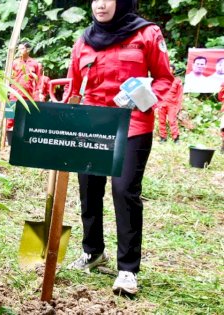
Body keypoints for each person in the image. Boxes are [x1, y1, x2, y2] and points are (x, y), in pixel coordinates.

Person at [66, 0, 174, 295]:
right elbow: (74, 89)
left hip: (133, 124)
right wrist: (64, 119)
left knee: (124, 190)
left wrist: (144, 98)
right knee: (88, 188)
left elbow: (165, 78)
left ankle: (127, 270)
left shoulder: (146, 34)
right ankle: (93, 252)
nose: (100, 4)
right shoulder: (85, 40)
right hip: (92, 124)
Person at [8, 41, 43, 130]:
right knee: (10, 117)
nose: (20, 51)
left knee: (26, 117)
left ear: (27, 49)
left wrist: (39, 93)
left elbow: (38, 80)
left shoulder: (35, 63)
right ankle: (5, 138)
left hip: (28, 94)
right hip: (15, 93)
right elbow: (9, 77)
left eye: (22, 48)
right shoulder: (14, 63)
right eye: (19, 49)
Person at [157, 65, 183, 142]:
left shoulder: (177, 80)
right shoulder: (161, 80)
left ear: (173, 71)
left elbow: (180, 94)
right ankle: (163, 138)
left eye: (170, 69)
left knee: (172, 121)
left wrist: (178, 106)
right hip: (161, 104)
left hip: (172, 104)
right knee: (161, 121)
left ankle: (176, 138)